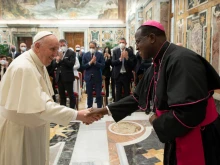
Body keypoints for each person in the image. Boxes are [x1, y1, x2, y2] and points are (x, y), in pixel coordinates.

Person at [86, 20, 220, 165]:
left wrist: (157, 122)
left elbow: (191, 112)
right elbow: (137, 98)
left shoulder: (182, 60)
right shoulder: (159, 61)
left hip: (200, 136)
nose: (136, 47)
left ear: (151, 38)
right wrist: (103, 110)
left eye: (138, 41)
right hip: (178, 131)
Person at [0, 31, 97, 165]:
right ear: (38, 46)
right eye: (52, 49)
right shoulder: (24, 67)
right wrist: (77, 114)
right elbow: (42, 107)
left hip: (33, 128)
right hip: (21, 132)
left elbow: (44, 99)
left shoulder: (37, 62)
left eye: (57, 49)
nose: (56, 54)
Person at [82, 41, 105, 108]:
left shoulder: (100, 55)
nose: (91, 48)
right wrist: (90, 62)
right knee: (89, 95)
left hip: (97, 77)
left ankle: (99, 109)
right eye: (90, 47)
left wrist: (95, 63)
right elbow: (83, 66)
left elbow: (103, 65)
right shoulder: (85, 55)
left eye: (93, 47)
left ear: (96, 47)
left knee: (98, 94)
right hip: (88, 77)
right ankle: (89, 108)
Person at [54, 39, 76, 109]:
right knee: (62, 95)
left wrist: (63, 58)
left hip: (68, 77)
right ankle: (63, 111)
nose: (62, 46)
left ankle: (72, 110)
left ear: (67, 45)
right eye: (60, 45)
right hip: (59, 77)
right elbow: (55, 65)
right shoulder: (57, 53)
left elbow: (71, 64)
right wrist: (57, 60)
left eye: (63, 45)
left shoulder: (71, 53)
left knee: (70, 95)